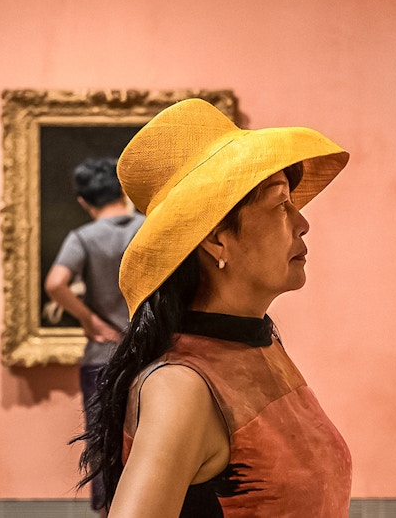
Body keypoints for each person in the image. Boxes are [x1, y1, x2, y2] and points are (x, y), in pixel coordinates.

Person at [74, 98, 351, 517]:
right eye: (280, 204)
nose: (302, 221)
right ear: (217, 240)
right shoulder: (181, 387)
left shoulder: (255, 345)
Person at [45, 156, 144, 517]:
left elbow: (55, 283)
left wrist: (90, 321)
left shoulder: (83, 237)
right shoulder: (148, 227)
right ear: (122, 191)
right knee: (150, 438)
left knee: (102, 441)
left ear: (84, 202)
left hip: (101, 356)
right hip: (149, 353)